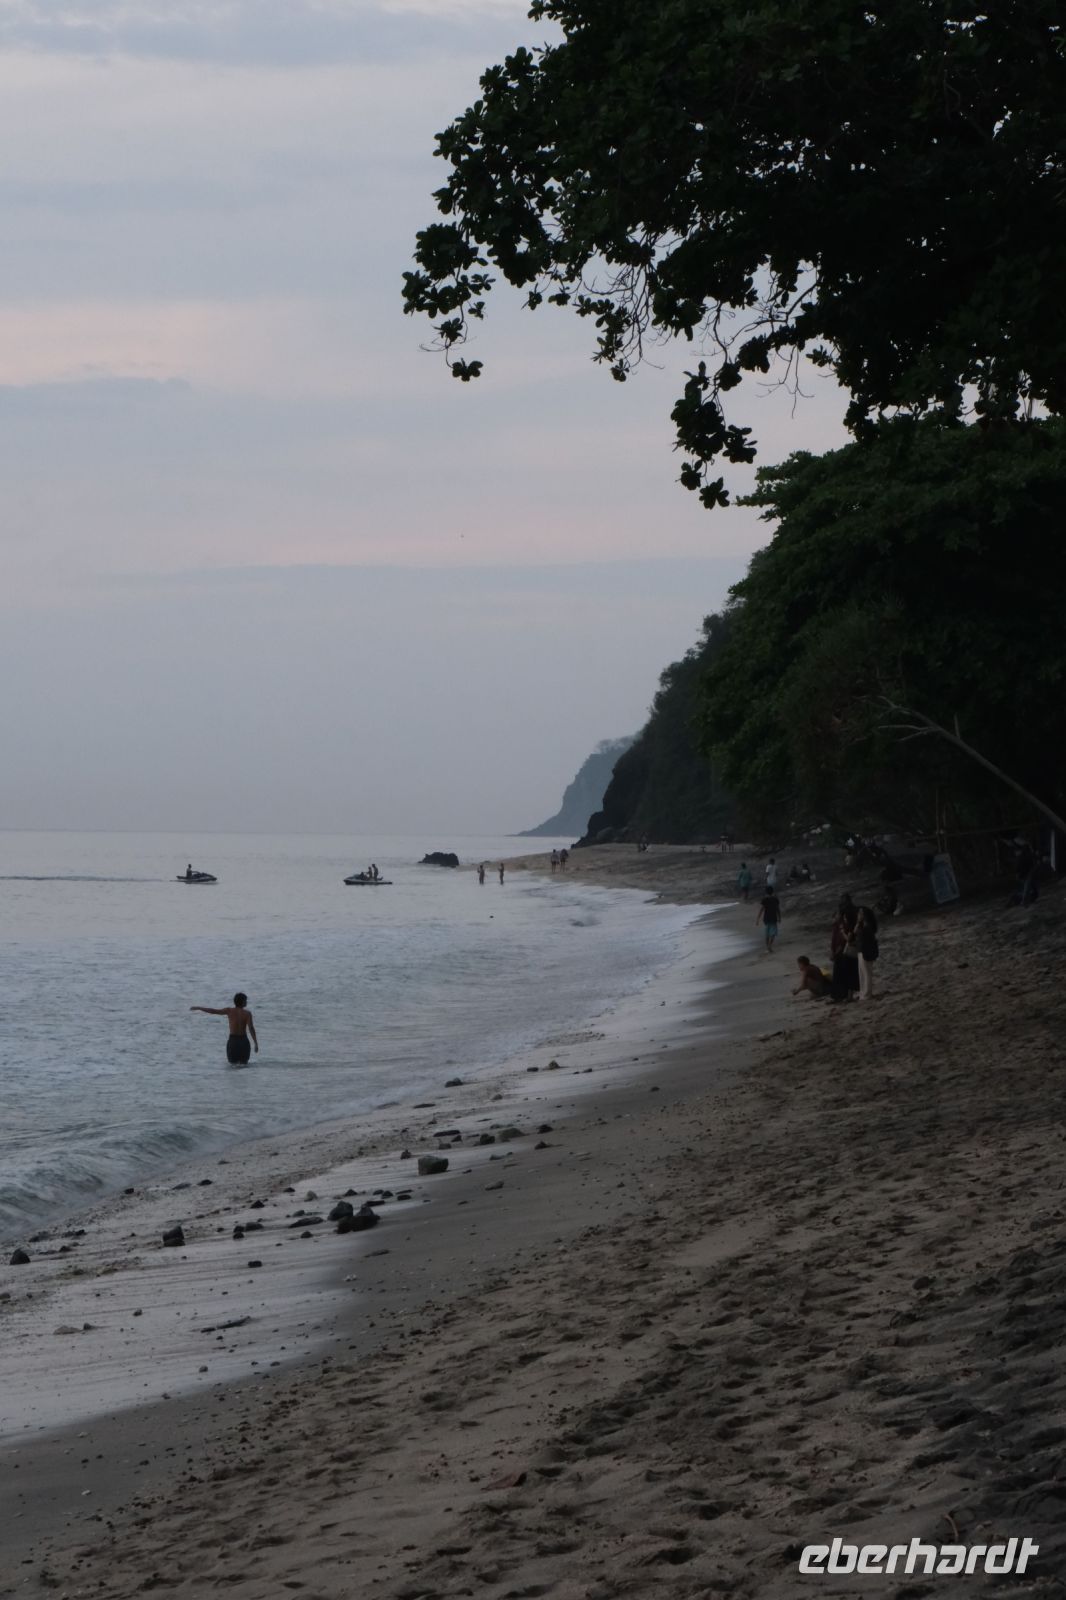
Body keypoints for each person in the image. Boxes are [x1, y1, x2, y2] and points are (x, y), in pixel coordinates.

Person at [190, 993, 258, 1066]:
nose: (246, 1002)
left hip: (233, 1041)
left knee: (233, 1065)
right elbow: (251, 1028)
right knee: (244, 1065)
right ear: (242, 1001)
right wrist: (255, 1043)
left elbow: (214, 1011)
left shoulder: (229, 1011)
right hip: (243, 1041)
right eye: (245, 1000)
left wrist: (199, 1008)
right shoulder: (247, 1013)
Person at [855, 905, 879, 1000]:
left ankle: (867, 993)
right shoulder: (864, 925)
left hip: (865, 951)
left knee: (866, 973)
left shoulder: (867, 927)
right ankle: (863, 993)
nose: (858, 915)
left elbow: (865, 939)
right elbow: (855, 932)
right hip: (861, 950)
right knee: (862, 973)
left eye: (860, 913)